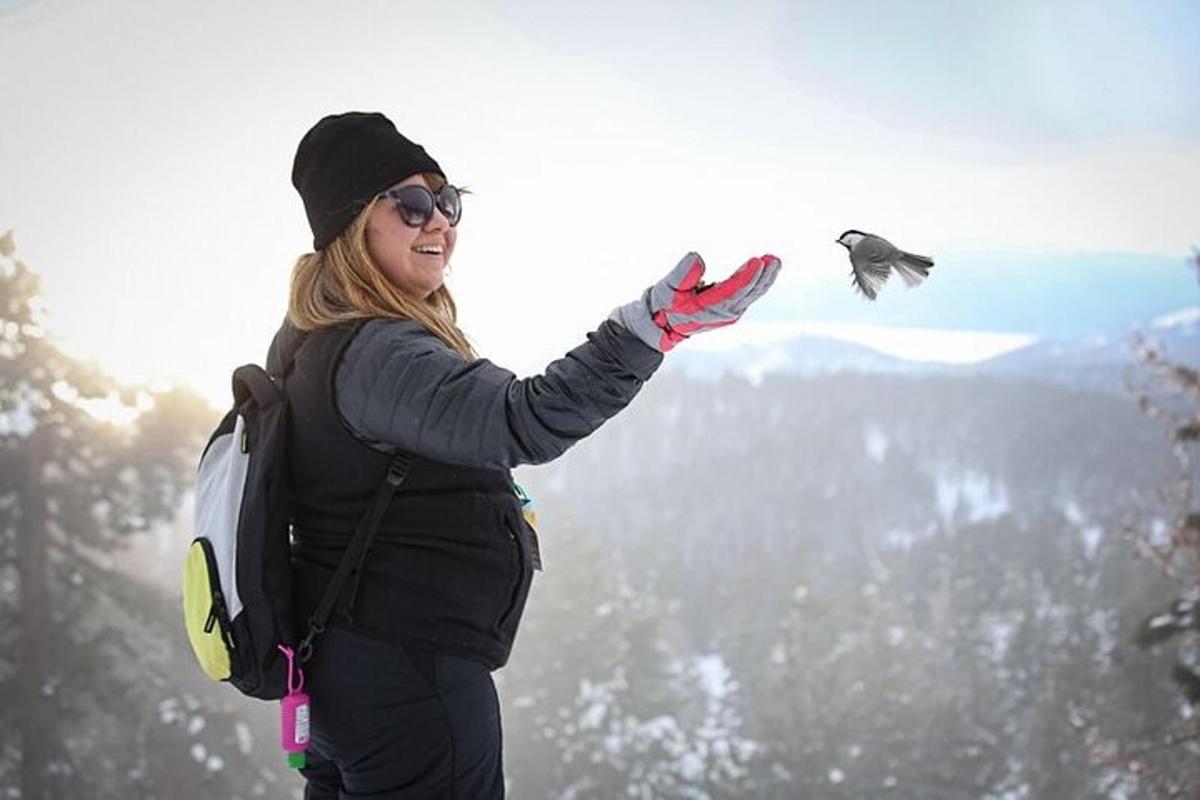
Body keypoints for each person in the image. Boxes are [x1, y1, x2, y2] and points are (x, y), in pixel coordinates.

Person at [267, 111, 782, 799]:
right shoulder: (377, 354)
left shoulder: (313, 340)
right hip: (410, 679)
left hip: (345, 671)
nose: (439, 224)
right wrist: (647, 330)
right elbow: (525, 417)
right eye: (413, 205)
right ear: (350, 226)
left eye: (448, 203)